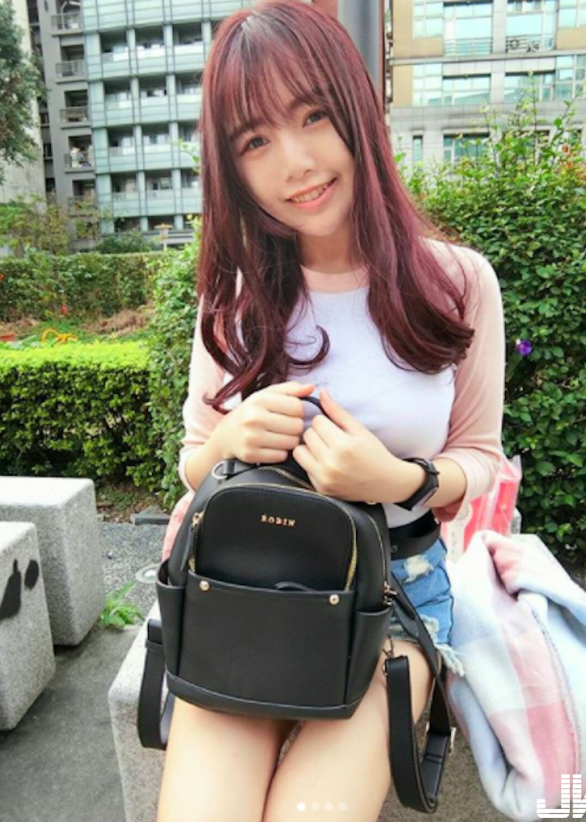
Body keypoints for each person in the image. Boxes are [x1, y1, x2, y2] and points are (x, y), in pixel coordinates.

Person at [157, 2, 506, 820]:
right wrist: (231, 439)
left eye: (313, 115)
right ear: (232, 167)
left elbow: (481, 456)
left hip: (397, 595)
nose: (297, 162)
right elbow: (194, 461)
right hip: (245, 590)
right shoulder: (235, 298)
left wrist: (399, 480)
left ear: (357, 110)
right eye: (255, 140)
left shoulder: (457, 282)